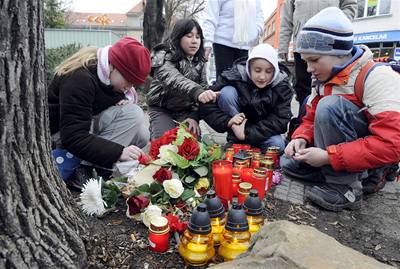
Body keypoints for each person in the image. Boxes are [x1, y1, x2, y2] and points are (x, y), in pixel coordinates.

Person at [281, 7, 400, 212]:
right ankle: (333, 172)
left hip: (371, 150)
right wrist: (300, 138)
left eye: (314, 60)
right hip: (347, 149)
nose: (309, 69)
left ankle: (345, 188)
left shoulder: (377, 77)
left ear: (339, 53)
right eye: (305, 61)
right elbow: (310, 119)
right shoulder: (323, 77)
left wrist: (328, 157)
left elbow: (392, 143)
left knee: (330, 105)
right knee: (288, 163)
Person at [48, 37, 151, 186]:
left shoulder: (106, 76)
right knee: (133, 113)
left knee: (141, 134)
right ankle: (86, 170)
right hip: (60, 135)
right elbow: (73, 136)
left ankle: (97, 164)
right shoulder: (80, 78)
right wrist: (118, 152)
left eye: (134, 84)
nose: (130, 87)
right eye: (129, 80)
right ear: (113, 65)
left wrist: (116, 98)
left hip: (79, 128)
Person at [200, 43, 293, 152]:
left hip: (262, 133)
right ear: (249, 68)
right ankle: (235, 140)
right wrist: (228, 121)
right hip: (236, 129)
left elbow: (280, 120)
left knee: (278, 145)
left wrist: (246, 134)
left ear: (275, 71)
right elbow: (206, 106)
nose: (262, 77)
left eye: (268, 71)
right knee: (226, 92)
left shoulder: (282, 87)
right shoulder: (234, 76)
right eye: (257, 70)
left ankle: (245, 141)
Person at [147, 19, 218, 139]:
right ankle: (156, 126)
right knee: (164, 145)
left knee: (190, 146)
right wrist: (197, 92)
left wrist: (194, 116)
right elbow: (174, 79)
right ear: (178, 37)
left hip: (185, 112)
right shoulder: (163, 55)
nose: (194, 41)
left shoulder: (199, 62)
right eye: (189, 36)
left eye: (198, 36)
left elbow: (204, 88)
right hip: (161, 109)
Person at [278, 0, 357, 108]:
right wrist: (283, 46)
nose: (308, 69)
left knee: (329, 83)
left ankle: (326, 113)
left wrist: (338, 23)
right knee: (303, 84)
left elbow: (349, 5)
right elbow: (286, 19)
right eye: (307, 62)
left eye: (314, 60)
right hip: (302, 43)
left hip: (330, 41)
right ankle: (305, 115)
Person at [202, 0, 264, 78]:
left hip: (244, 46)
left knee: (242, 83)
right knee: (224, 82)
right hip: (223, 44)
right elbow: (210, 16)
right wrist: (207, 42)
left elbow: (259, 15)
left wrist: (256, 31)